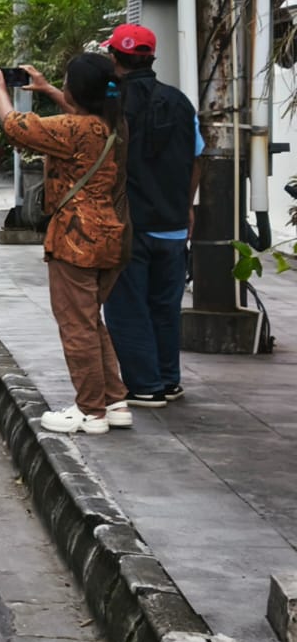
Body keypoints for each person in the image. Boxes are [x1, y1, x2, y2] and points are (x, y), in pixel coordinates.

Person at [0, 57, 132, 435]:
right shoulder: (112, 124)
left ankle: (90, 411)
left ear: (76, 91)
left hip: (76, 237)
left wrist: (1, 92)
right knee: (90, 320)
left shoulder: (73, 128)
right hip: (111, 233)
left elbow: (17, 128)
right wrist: (48, 88)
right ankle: (114, 400)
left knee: (75, 325)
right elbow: (79, 117)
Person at [99, 24, 201, 406]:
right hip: (173, 224)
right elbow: (196, 159)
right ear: (151, 58)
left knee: (128, 305)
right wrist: (186, 206)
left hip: (129, 224)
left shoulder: (110, 104)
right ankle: (169, 379)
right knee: (165, 305)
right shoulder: (180, 102)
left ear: (114, 59)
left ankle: (144, 385)